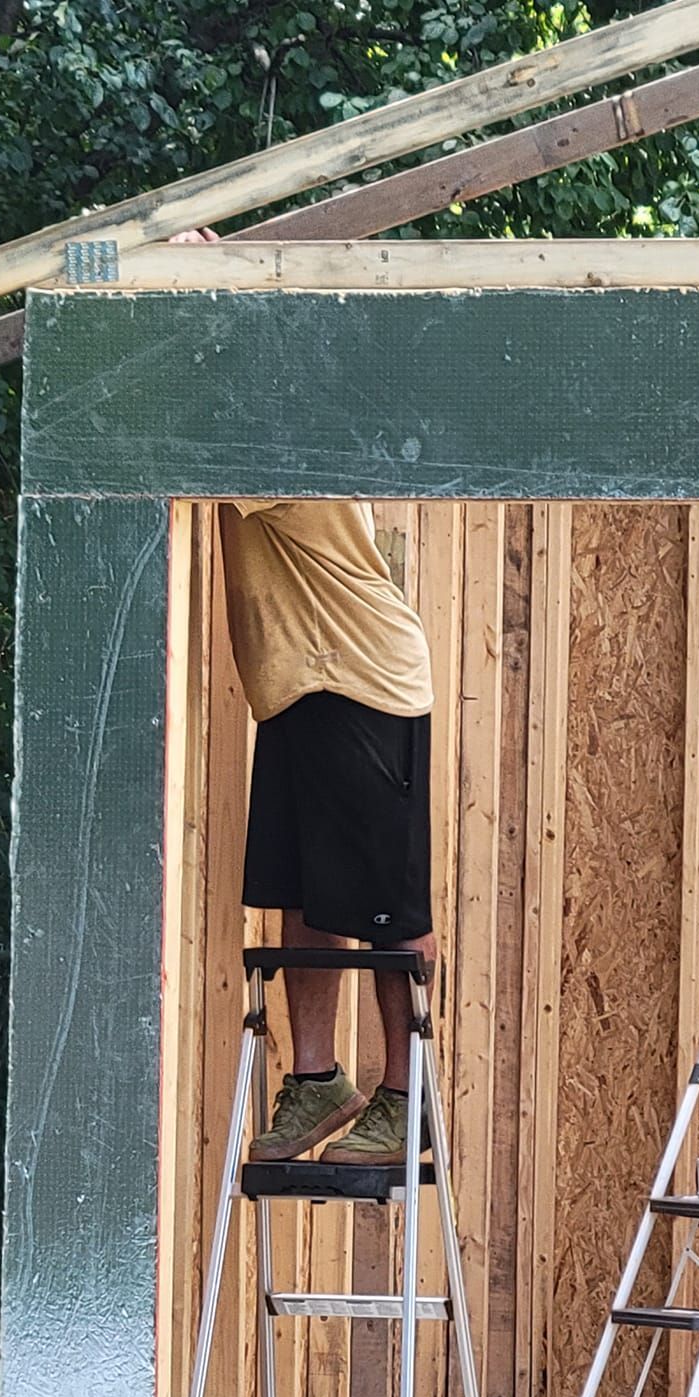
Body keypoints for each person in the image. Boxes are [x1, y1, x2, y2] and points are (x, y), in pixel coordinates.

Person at [219, 496, 436, 1167]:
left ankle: (407, 1099)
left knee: (389, 908)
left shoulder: (271, 431)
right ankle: (316, 1081)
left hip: (358, 677)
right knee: (305, 896)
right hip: (297, 681)